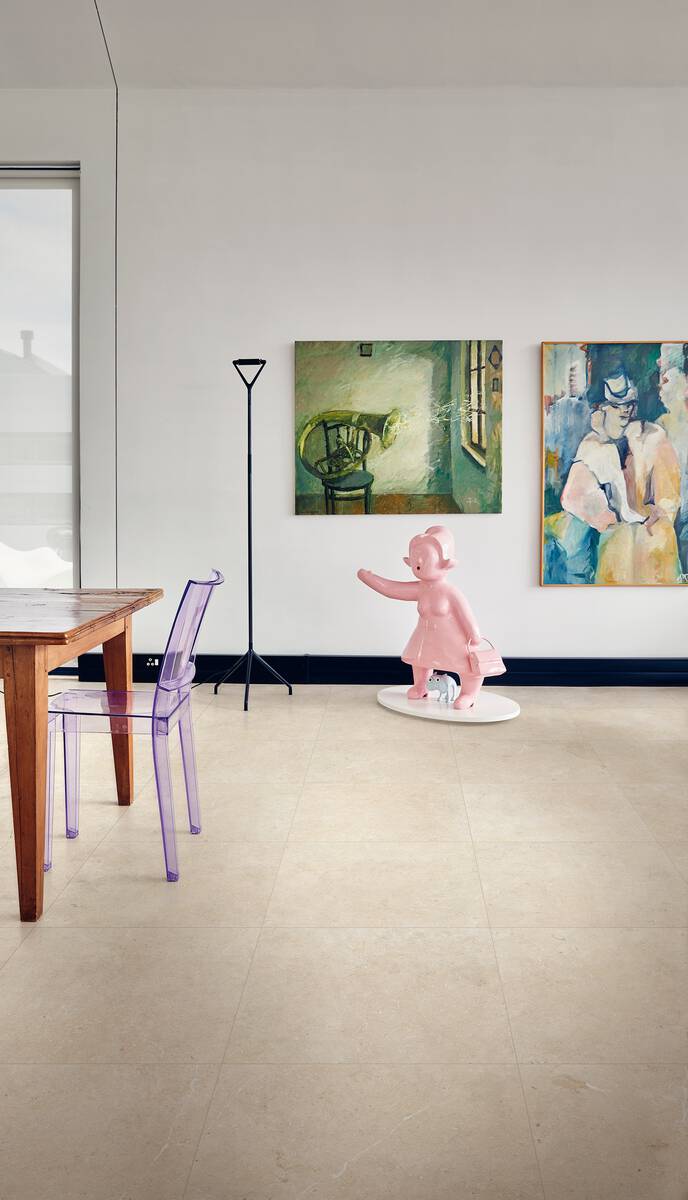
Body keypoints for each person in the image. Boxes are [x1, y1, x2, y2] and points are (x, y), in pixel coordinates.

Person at [561, 370, 681, 584]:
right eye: (616, 405)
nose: (626, 410)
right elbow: (573, 497)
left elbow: (669, 496)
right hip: (615, 544)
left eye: (630, 403)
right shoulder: (592, 446)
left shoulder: (653, 436)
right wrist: (609, 518)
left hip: (654, 540)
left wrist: (658, 513)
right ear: (600, 408)